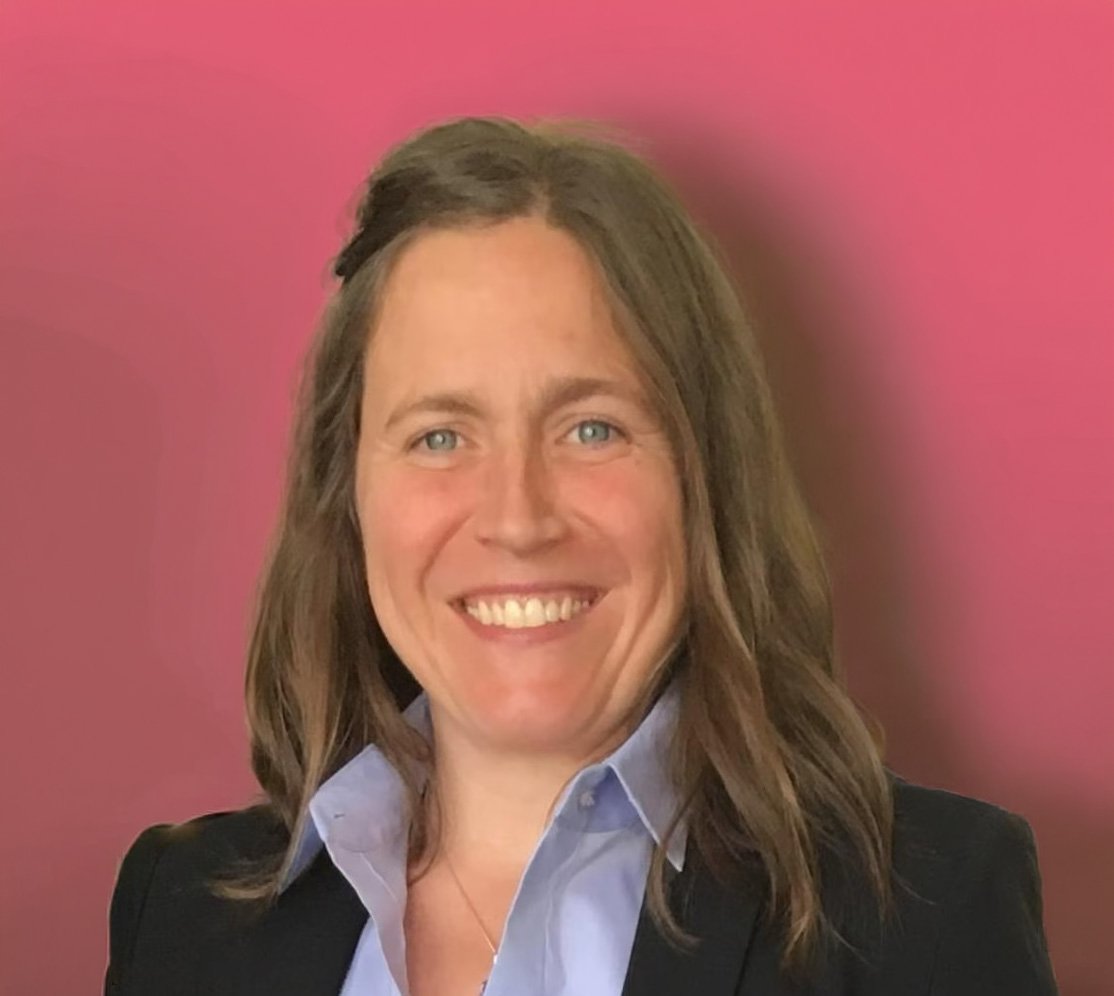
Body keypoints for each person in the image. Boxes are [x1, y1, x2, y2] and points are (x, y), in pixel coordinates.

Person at [104, 115, 1058, 996]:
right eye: (440, 435)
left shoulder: (927, 912)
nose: (517, 518)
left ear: (702, 477)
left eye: (592, 428)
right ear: (346, 494)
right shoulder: (182, 913)